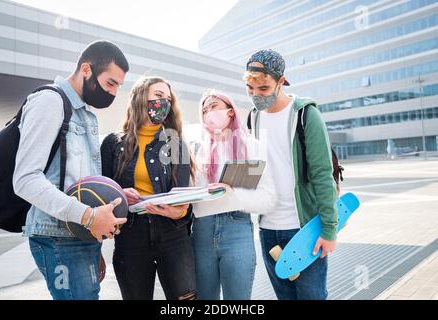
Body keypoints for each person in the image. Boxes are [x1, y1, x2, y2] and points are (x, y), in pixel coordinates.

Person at [12, 40, 129, 300]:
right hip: (57, 237)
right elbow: (25, 179)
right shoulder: (49, 102)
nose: (113, 93)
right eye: (110, 83)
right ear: (86, 69)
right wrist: (88, 217)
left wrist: (111, 202)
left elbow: (82, 186)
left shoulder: (85, 114)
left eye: (118, 87)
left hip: (80, 235)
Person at [244, 49, 338, 300]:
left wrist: (329, 230)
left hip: (303, 229)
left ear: (281, 81)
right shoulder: (253, 118)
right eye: (250, 89)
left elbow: (322, 174)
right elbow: (255, 170)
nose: (256, 95)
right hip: (267, 230)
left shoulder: (306, 114)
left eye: (263, 89)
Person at [101, 76, 197, 300]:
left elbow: (182, 198)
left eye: (168, 98)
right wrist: (119, 195)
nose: (164, 102)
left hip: (173, 236)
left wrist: (179, 211)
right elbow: (101, 193)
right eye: (158, 96)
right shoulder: (113, 144)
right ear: (140, 98)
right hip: (130, 238)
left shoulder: (176, 143)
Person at [191, 90, 276, 300]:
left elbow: (268, 198)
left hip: (237, 229)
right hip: (201, 231)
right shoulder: (195, 151)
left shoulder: (252, 148)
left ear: (230, 112)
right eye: (204, 109)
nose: (208, 112)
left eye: (214, 106)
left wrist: (233, 195)